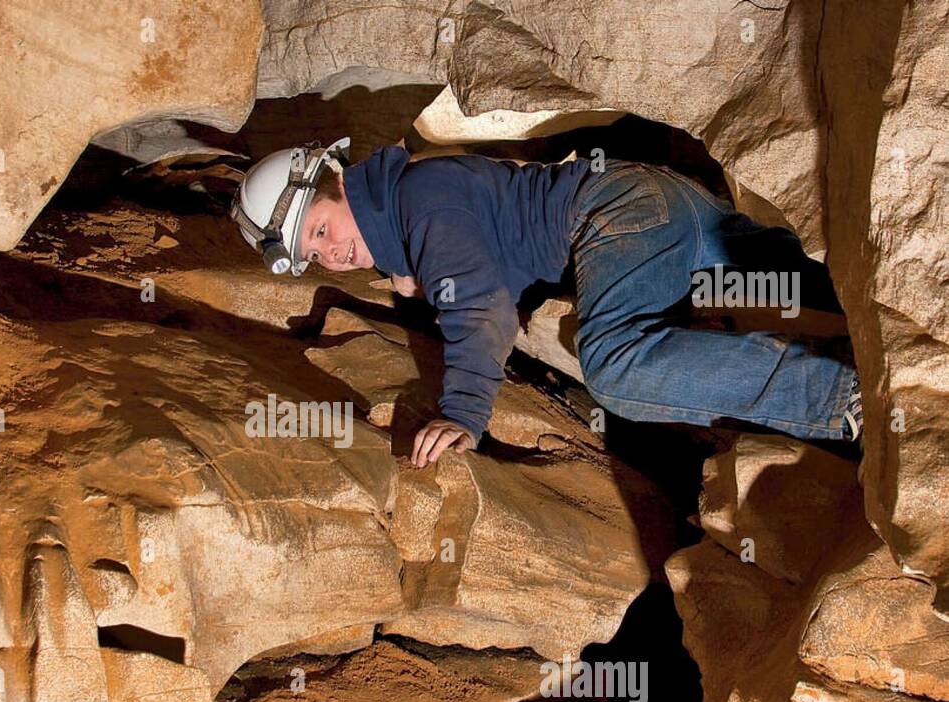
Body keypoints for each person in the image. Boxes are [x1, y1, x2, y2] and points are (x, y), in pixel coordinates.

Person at [230, 139, 862, 468]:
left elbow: (483, 308)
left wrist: (465, 412)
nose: (330, 253)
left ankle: (845, 399)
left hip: (617, 212)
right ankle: (888, 335)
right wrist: (413, 276)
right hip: (662, 205)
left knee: (616, 365)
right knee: (809, 282)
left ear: (336, 180)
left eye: (319, 230)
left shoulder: (421, 201)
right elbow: (484, 267)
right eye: (312, 255)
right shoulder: (411, 206)